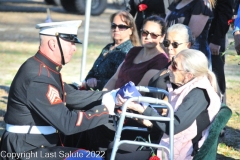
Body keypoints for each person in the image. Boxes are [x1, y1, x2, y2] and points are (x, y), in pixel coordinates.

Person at [0, 20, 115, 159]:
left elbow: (73, 95)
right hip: (26, 150)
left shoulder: (45, 69)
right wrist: (105, 110)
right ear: (53, 44)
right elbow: (66, 123)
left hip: (35, 144)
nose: (74, 48)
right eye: (71, 43)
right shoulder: (38, 76)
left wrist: (114, 95)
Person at [114, 49, 222, 160]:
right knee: (114, 144)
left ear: (188, 75)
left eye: (174, 66)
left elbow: (173, 126)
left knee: (117, 154)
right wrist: (139, 111)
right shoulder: (189, 86)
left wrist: (142, 109)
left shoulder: (199, 94)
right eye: (171, 62)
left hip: (179, 153)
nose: (169, 68)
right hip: (167, 143)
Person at [103, 15, 169, 91]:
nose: (148, 37)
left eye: (153, 35)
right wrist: (103, 95)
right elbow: (115, 78)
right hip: (111, 97)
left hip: (128, 100)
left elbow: (139, 90)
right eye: (145, 32)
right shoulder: (134, 51)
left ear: (162, 37)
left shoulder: (161, 61)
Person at [84, 10, 141, 91]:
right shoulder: (108, 47)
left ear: (131, 30)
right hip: (92, 90)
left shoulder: (128, 52)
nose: (116, 29)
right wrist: (90, 78)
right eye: (113, 26)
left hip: (108, 94)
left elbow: (119, 81)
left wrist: (96, 83)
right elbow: (93, 70)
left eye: (121, 27)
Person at [147, 23, 194, 100]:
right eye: (167, 43)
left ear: (188, 45)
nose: (169, 47)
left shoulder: (185, 70)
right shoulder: (169, 64)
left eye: (175, 44)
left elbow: (170, 104)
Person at [165, 0, 215, 68]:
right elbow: (165, 26)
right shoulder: (177, 2)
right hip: (172, 51)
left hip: (191, 56)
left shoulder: (202, 3)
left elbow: (192, 34)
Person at [208, 0, 234, 104]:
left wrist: (216, 40)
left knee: (215, 75)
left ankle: (220, 108)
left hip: (213, 38)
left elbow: (226, 14)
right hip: (199, 38)